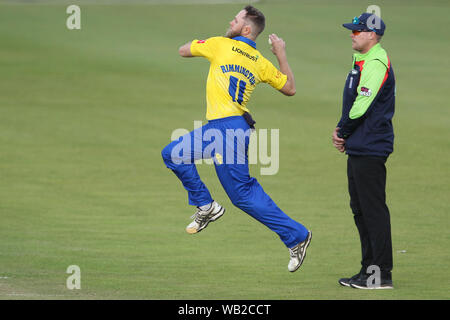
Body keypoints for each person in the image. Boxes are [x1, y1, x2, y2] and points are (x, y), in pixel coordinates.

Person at [161, 6, 311, 272]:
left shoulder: (220, 45)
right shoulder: (260, 61)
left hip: (227, 130)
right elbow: (290, 88)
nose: (230, 21)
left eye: (236, 19)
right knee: (173, 153)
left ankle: (297, 236)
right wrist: (281, 54)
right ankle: (206, 205)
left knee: (242, 194)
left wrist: (209, 44)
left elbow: (183, 50)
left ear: (245, 29)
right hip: (226, 127)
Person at [332, 13, 396, 289]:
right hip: (360, 144)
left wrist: (342, 130)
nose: (352, 34)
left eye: (357, 31)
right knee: (360, 209)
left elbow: (362, 104)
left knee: (372, 210)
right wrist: (343, 130)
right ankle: (367, 272)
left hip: (370, 145)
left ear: (372, 35)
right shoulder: (362, 61)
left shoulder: (376, 62)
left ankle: (381, 274)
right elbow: (353, 105)